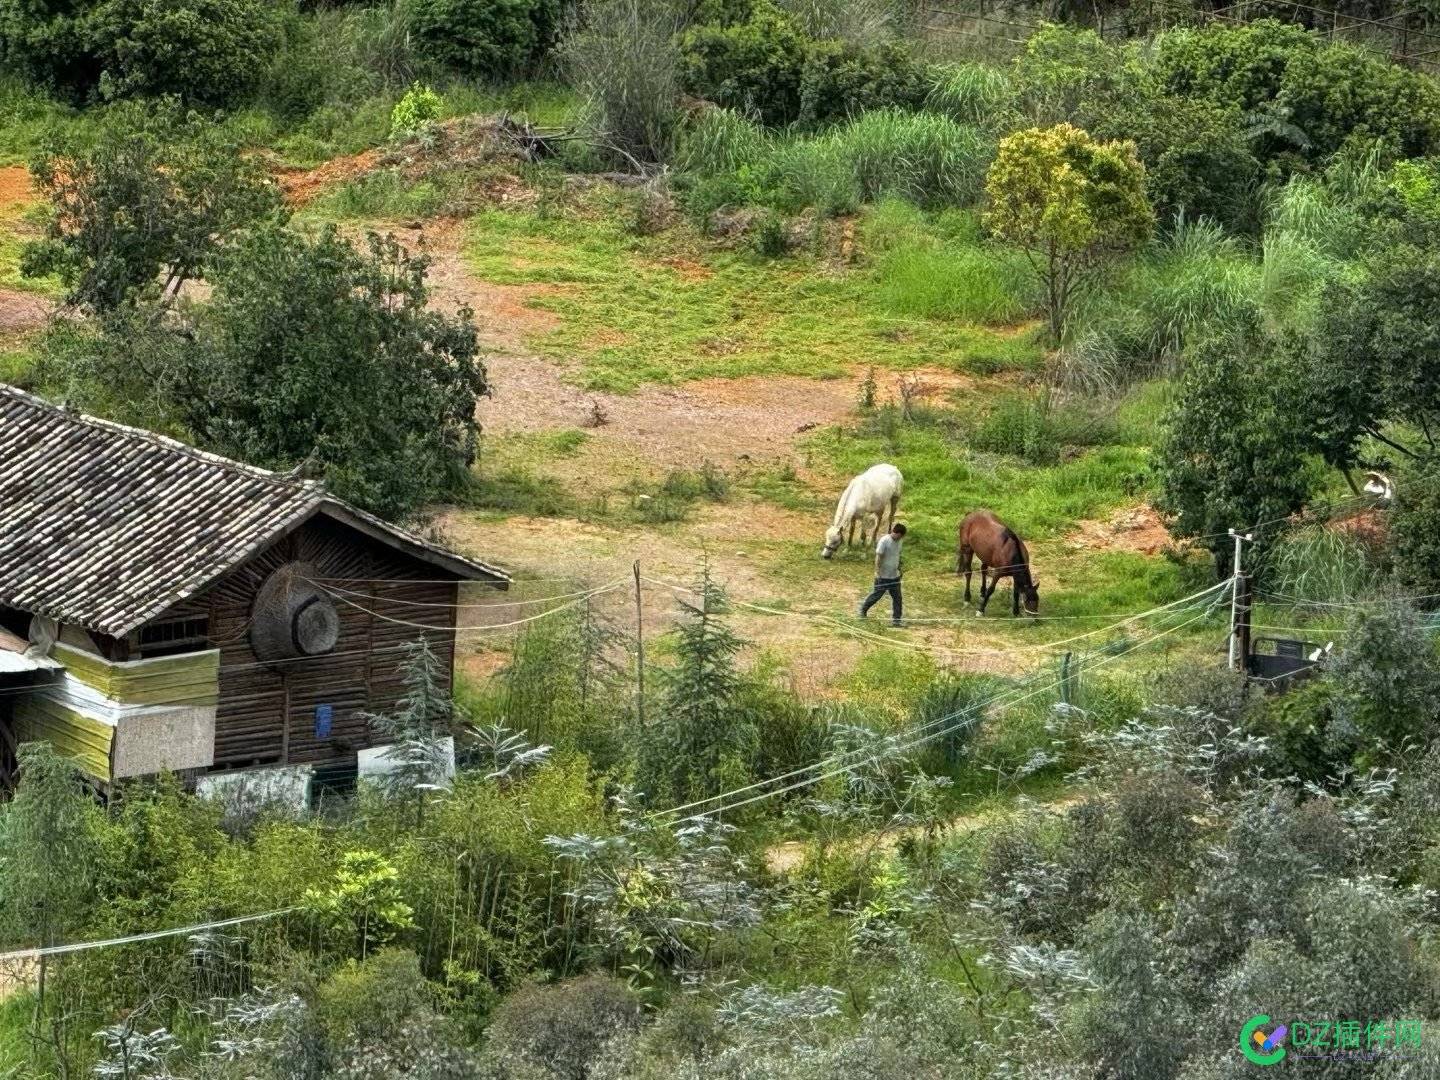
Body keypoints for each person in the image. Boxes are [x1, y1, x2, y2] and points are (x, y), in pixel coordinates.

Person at [858, 522, 906, 626]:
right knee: (876, 595)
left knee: (898, 598)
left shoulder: (900, 541)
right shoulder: (884, 541)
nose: (900, 538)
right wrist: (877, 571)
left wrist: (899, 568)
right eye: (900, 536)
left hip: (894, 576)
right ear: (896, 533)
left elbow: (898, 555)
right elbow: (878, 557)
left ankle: (896, 620)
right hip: (883, 576)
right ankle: (862, 611)